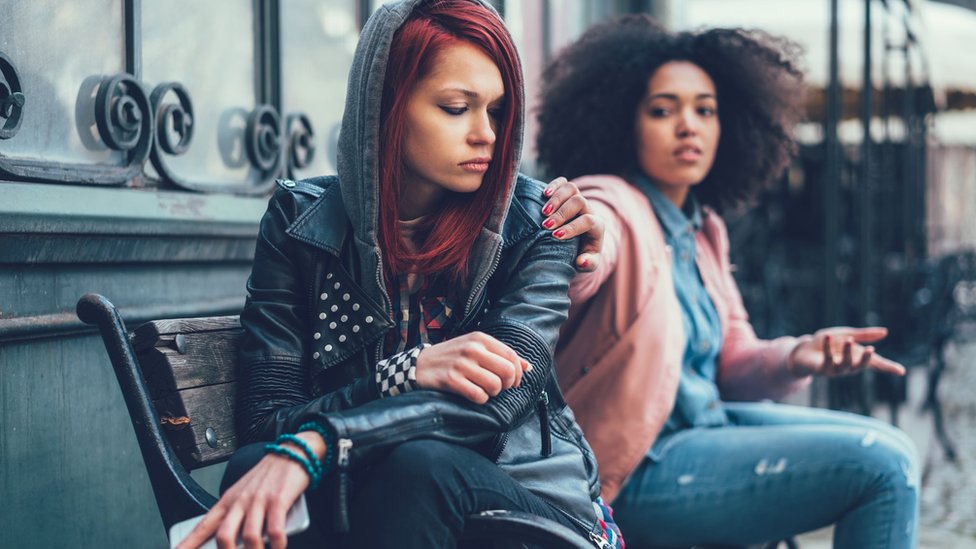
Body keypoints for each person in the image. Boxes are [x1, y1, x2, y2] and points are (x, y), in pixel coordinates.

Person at [176, 1, 619, 548]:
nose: (487, 134)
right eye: (457, 107)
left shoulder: (542, 221)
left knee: (423, 466)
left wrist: (325, 439)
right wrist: (402, 374)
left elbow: (497, 406)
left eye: (499, 112)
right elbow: (267, 420)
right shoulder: (303, 224)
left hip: (530, 509)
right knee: (254, 466)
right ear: (385, 106)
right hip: (380, 496)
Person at [535, 15, 921, 549]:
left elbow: (732, 362)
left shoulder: (704, 228)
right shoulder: (612, 199)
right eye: (663, 110)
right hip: (634, 467)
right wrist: (584, 240)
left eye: (705, 110)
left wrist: (800, 355)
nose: (688, 125)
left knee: (892, 444)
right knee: (880, 467)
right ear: (626, 123)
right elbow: (592, 250)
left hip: (703, 431)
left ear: (729, 125)